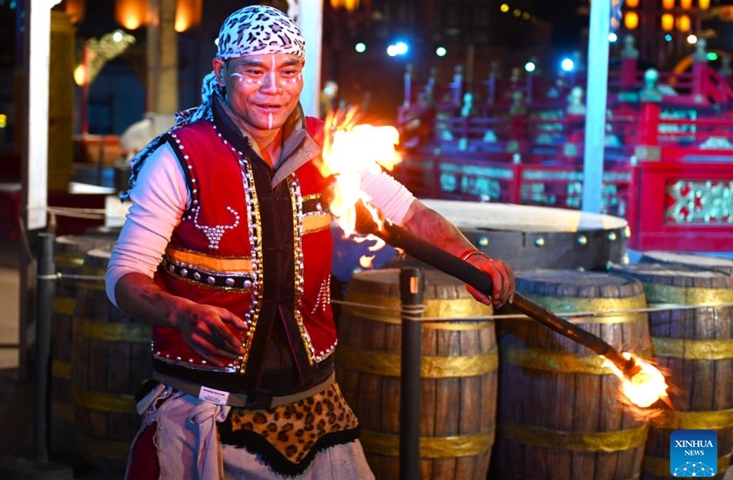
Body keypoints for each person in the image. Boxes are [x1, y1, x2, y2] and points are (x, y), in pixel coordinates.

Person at [106, 5, 515, 479]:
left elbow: (411, 215)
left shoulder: (331, 148)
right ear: (222, 72)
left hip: (317, 408)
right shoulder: (179, 157)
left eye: (289, 71)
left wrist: (469, 256)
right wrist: (179, 312)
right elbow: (123, 276)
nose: (273, 89)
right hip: (206, 412)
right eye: (254, 71)